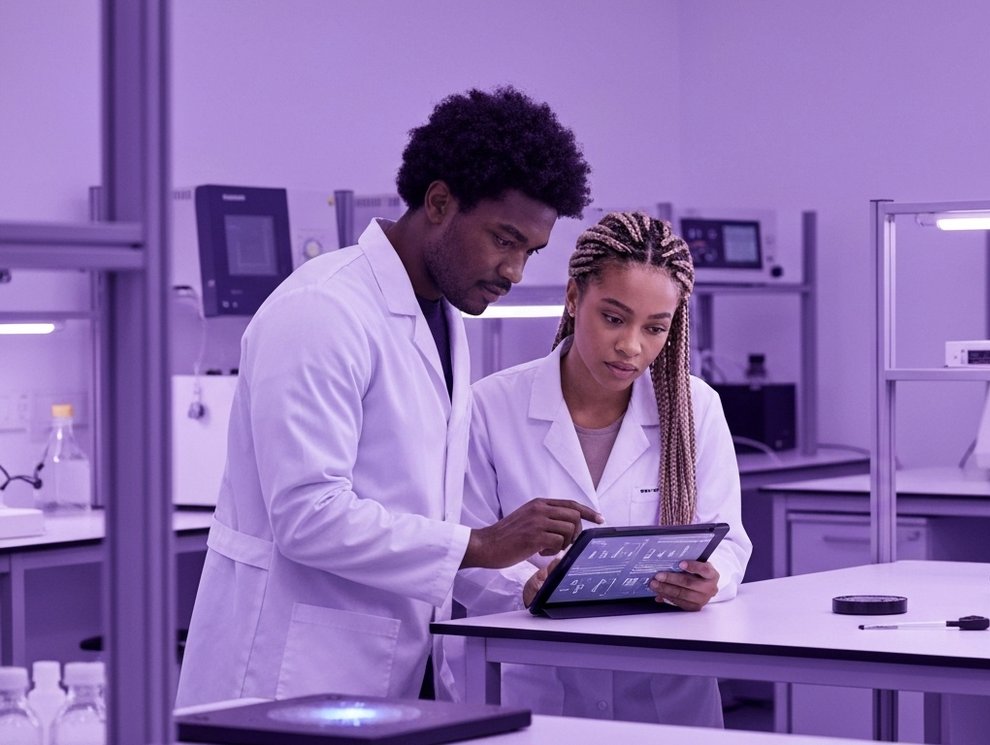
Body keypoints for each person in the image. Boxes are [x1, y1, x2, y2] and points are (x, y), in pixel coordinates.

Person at [177, 86, 601, 707]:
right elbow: (307, 515)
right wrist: (482, 544)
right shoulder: (322, 310)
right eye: (503, 240)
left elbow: (415, 499)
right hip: (286, 668)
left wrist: (523, 577)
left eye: (529, 252)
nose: (515, 271)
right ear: (438, 202)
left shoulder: (441, 316)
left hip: (385, 659)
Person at [453, 212, 752, 727]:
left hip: (665, 700)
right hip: (530, 689)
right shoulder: (488, 406)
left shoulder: (693, 407)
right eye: (613, 318)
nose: (631, 346)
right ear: (574, 297)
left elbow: (729, 540)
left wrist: (710, 580)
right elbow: (463, 548)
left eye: (655, 328)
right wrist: (522, 586)